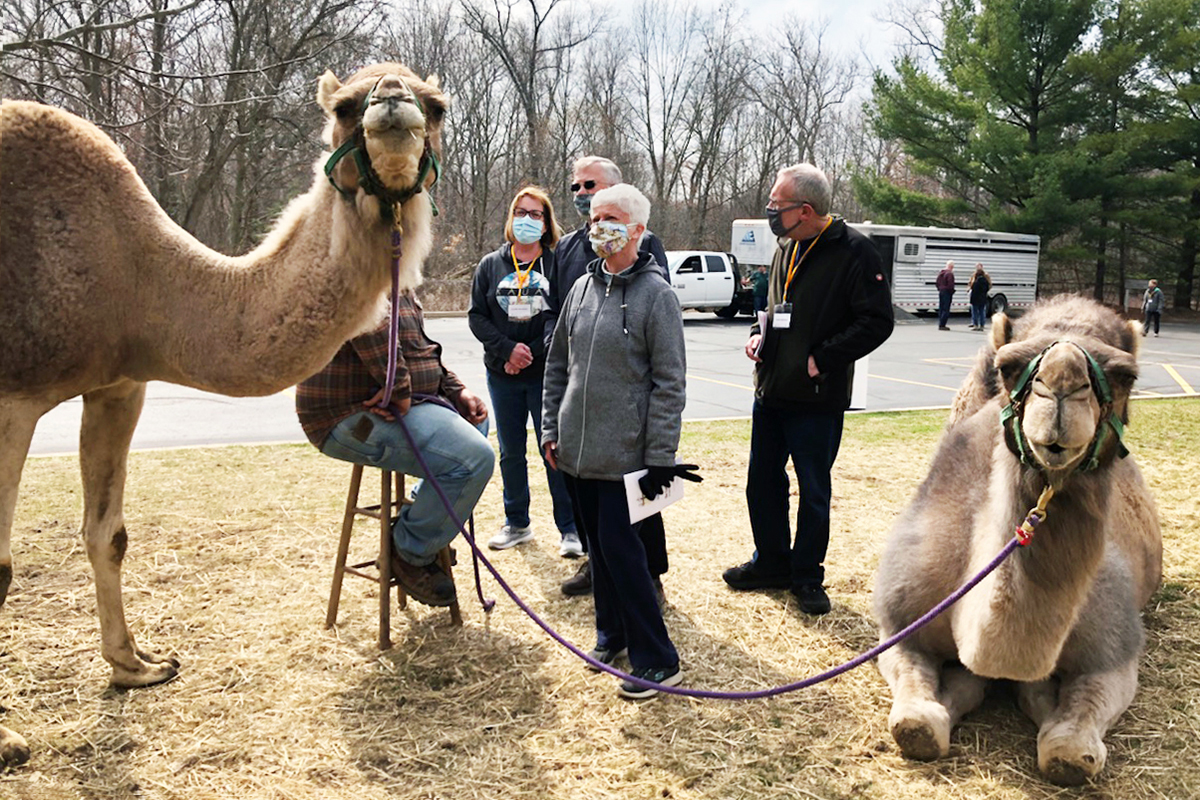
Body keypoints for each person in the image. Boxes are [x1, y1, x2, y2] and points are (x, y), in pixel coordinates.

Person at [542, 183, 697, 699]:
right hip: (576, 453)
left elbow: (669, 384)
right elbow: (558, 366)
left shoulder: (658, 297)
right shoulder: (581, 290)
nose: (595, 227)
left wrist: (660, 459)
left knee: (625, 555)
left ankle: (658, 659)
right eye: (592, 218)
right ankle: (611, 635)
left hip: (626, 456)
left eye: (608, 218)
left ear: (636, 230)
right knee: (599, 553)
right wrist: (550, 429)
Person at [722, 163, 894, 615]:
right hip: (772, 388)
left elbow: (877, 322)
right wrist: (761, 337)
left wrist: (823, 358)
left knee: (813, 490)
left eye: (776, 205)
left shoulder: (856, 251)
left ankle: (806, 576)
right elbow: (779, 305)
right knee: (762, 482)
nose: (769, 211)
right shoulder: (786, 246)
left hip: (817, 399)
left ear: (805, 209)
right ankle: (771, 563)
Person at [296, 294, 494, 608]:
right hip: (349, 414)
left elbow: (420, 351)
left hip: (398, 405)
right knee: (473, 459)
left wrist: (457, 390)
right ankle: (409, 551)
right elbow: (372, 327)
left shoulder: (401, 284)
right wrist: (399, 392)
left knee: (476, 425)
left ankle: (423, 516)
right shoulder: (368, 271)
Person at [546, 155, 671, 600]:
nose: (582, 194)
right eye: (577, 188)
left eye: (591, 186)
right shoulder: (566, 248)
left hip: (625, 407)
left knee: (638, 501)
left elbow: (656, 323)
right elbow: (558, 310)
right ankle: (595, 564)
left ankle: (650, 573)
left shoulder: (646, 244)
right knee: (581, 488)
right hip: (579, 394)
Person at [468, 186, 581, 556]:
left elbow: (562, 318)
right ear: (510, 217)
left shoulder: (556, 264)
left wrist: (528, 354)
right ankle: (517, 522)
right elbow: (477, 317)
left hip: (544, 375)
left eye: (536, 214)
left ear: (547, 223)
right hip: (502, 374)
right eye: (521, 212)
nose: (527, 220)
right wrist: (506, 352)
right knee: (510, 451)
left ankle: (569, 529)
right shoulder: (491, 264)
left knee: (553, 450)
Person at [967, 263, 991, 330]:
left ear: (982, 267)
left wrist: (985, 291)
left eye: (979, 267)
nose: (978, 268)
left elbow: (989, 285)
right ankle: (977, 324)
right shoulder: (974, 275)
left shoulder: (985, 275)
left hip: (978, 295)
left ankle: (978, 325)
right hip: (978, 295)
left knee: (979, 310)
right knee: (978, 310)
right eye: (977, 267)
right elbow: (970, 283)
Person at [935, 260, 955, 330]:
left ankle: (940, 323)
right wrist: (952, 291)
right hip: (947, 292)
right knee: (946, 309)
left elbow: (937, 282)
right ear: (951, 266)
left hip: (941, 291)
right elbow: (950, 285)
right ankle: (942, 325)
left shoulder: (941, 273)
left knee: (941, 308)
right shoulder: (950, 274)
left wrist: (940, 288)